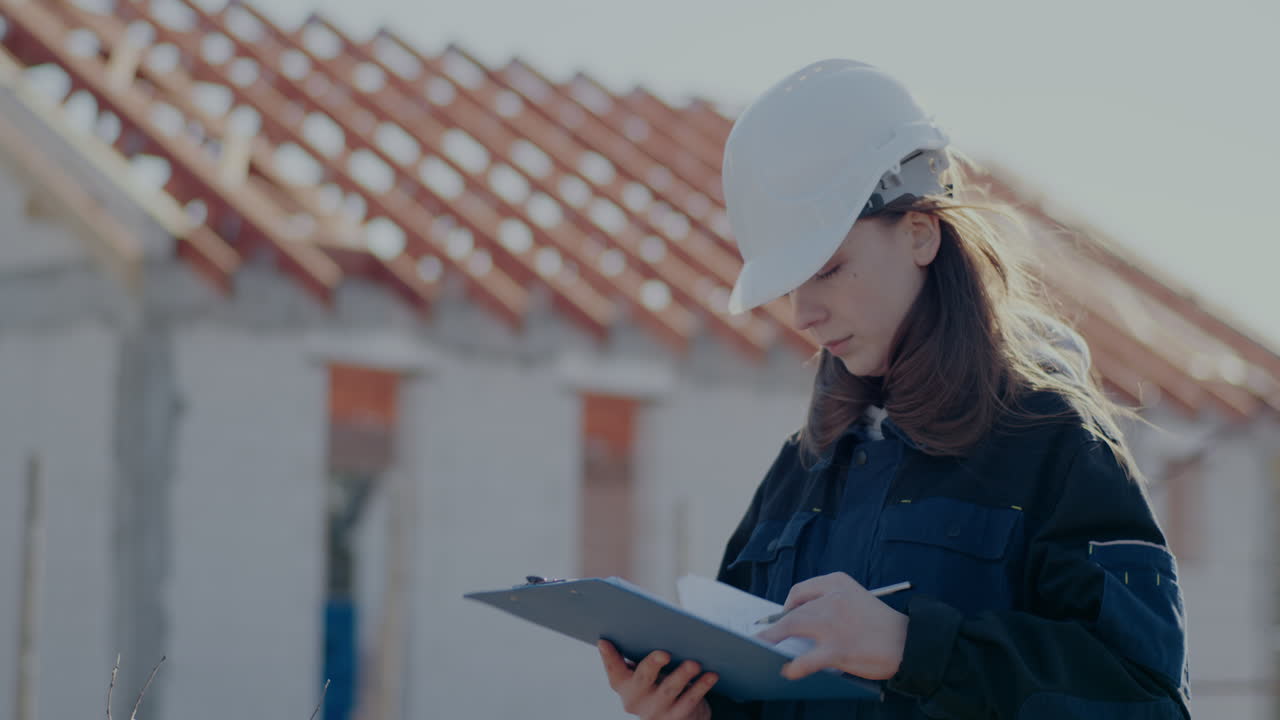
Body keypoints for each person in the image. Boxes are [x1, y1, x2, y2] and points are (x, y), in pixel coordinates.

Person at [596, 59, 1190, 719]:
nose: (802, 314)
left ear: (920, 233)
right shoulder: (802, 468)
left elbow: (1146, 699)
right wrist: (695, 711)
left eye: (828, 269)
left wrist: (913, 648)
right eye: (791, 285)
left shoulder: (1054, 443)